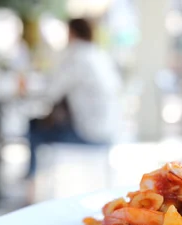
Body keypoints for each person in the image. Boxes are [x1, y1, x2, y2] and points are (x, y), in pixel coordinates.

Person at [27, 18, 122, 181]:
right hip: (112, 130)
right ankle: (31, 181)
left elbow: (51, 92)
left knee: (34, 129)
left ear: (72, 33)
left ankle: (30, 182)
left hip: (89, 133)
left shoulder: (76, 56)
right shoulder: (99, 54)